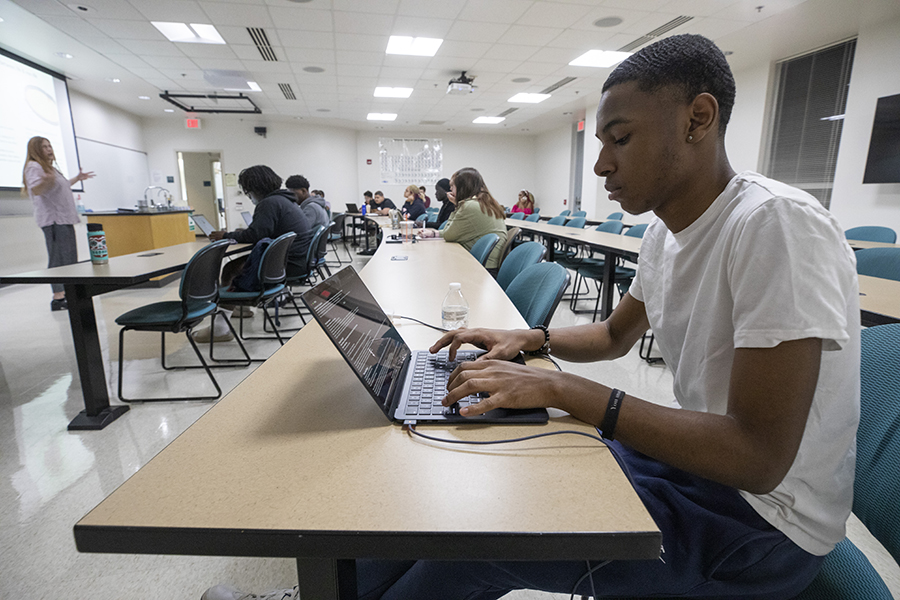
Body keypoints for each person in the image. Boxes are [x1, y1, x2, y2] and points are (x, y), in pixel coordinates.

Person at [202, 34, 860, 600]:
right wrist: (530, 339)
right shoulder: (668, 231)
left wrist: (559, 387)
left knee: (488, 539)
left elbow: (758, 458)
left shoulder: (775, 226)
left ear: (698, 118)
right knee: (479, 483)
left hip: (760, 528)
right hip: (699, 475)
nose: (600, 163)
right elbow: (610, 335)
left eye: (620, 139)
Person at [195, 165, 314, 343]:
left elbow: (256, 235)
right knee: (233, 266)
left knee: (231, 269)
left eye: (248, 192)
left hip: (286, 265)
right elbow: (262, 232)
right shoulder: (285, 201)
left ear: (253, 189)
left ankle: (220, 328)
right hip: (297, 261)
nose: (248, 196)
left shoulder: (269, 203)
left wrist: (227, 235)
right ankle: (240, 309)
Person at [21, 136, 94, 311]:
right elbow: (36, 189)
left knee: (68, 258)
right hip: (54, 220)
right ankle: (58, 297)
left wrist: (77, 178)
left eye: (49, 145)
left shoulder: (49, 168)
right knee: (59, 258)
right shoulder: (34, 166)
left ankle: (68, 293)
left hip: (63, 218)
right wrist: (45, 181)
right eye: (44, 147)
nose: (49, 149)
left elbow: (61, 186)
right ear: (36, 150)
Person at [418, 168, 508, 274]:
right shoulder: (484, 201)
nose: (450, 191)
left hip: (484, 269)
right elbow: (453, 231)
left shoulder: (470, 206)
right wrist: (434, 233)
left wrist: (456, 205)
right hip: (486, 264)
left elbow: (449, 234)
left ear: (462, 188)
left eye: (452, 187)